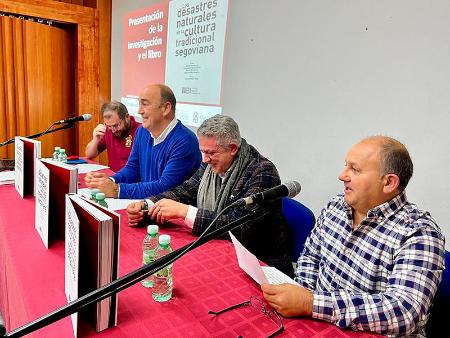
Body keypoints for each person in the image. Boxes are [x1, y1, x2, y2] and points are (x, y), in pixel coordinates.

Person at [261, 136, 445, 337]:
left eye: (355, 170)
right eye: (345, 166)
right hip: (317, 323)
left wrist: (311, 303)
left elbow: (404, 312)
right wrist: (301, 300)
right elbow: (310, 257)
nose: (342, 176)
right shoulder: (336, 206)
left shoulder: (418, 233)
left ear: (389, 182)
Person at [126, 114, 293, 275]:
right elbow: (185, 191)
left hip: (261, 265)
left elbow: (238, 228)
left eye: (211, 153)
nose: (205, 159)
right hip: (223, 250)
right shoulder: (210, 164)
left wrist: (185, 212)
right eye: (203, 152)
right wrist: (148, 205)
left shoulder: (262, 172)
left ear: (233, 148)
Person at [85, 84, 202, 199]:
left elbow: (166, 187)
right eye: (139, 104)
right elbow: (133, 168)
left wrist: (117, 190)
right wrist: (109, 181)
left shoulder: (185, 141)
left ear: (166, 108)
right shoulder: (142, 131)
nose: (139, 111)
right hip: (149, 207)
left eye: (145, 104)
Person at [85, 100, 140, 172]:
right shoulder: (108, 130)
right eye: (109, 126)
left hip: (132, 180)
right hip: (113, 178)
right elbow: (90, 155)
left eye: (116, 125)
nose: (113, 130)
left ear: (127, 117)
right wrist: (95, 139)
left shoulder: (140, 131)